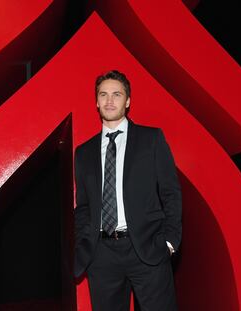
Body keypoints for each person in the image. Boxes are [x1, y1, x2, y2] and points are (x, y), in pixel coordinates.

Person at [73, 70, 182, 310]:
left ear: (128, 101)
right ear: (96, 102)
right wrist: (84, 242)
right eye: (103, 94)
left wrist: (170, 241)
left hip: (147, 247)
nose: (109, 100)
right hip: (101, 255)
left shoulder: (151, 139)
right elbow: (83, 206)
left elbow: (170, 192)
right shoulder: (83, 152)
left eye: (116, 94)